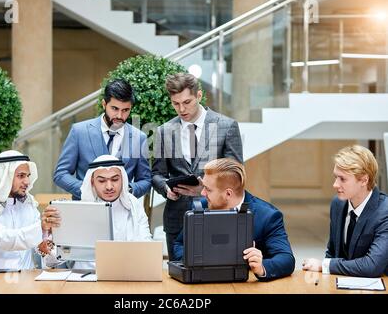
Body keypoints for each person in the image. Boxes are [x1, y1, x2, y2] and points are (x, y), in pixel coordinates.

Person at [152, 72, 243, 261]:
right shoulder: (164, 131)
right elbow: (157, 174)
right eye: (176, 104)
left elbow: (236, 176)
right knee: (178, 275)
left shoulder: (227, 126)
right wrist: (166, 188)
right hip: (177, 219)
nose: (181, 109)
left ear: (199, 96)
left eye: (187, 102)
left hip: (217, 215)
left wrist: (206, 189)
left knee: (215, 274)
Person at [173, 158, 295, 281]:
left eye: (208, 189)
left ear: (228, 194)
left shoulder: (268, 216)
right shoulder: (200, 206)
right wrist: (192, 258)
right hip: (203, 282)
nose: (203, 193)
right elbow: (179, 244)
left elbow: (286, 258)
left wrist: (262, 267)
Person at [43, 155, 152, 267]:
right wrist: (46, 235)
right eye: (101, 181)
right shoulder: (79, 210)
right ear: (92, 182)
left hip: (126, 274)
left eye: (115, 179)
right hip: (86, 277)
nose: (109, 187)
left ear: (123, 180)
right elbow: (51, 261)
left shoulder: (133, 205)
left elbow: (147, 247)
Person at [54, 78, 151, 200]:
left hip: (122, 212)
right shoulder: (79, 131)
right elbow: (61, 174)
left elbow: (146, 180)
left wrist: (128, 190)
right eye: (115, 109)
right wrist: (88, 190)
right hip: (86, 209)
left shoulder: (139, 137)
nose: (120, 116)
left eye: (125, 110)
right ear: (104, 104)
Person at [302, 145, 388, 277]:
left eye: (343, 179)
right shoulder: (338, 203)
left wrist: (326, 265)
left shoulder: (385, 211)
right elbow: (332, 251)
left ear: (364, 180)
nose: (335, 184)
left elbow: (372, 266)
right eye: (336, 177)